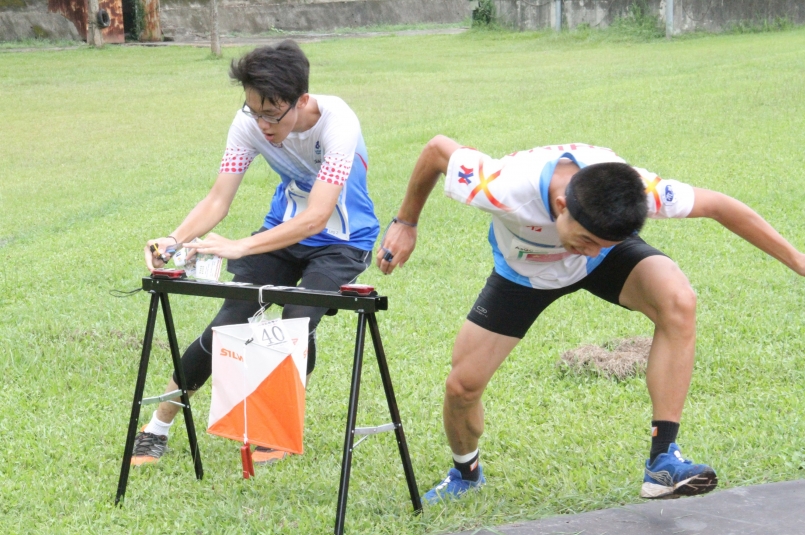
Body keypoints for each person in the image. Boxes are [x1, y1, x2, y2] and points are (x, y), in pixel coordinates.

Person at [377, 136, 805, 502]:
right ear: (560, 205)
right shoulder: (500, 186)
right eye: (584, 239)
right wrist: (406, 222)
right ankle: (465, 474)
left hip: (606, 264)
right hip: (524, 272)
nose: (587, 247)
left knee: (679, 300)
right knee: (462, 386)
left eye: (600, 242)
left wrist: (799, 262)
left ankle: (662, 460)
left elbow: (721, 207)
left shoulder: (636, 190)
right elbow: (436, 151)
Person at [132, 41, 379, 466]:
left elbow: (318, 216)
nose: (263, 124)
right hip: (281, 233)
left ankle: (277, 423)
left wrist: (240, 246)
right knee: (227, 323)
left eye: (272, 114)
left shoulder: (339, 123)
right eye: (254, 111)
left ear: (301, 100)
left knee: (297, 321)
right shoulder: (248, 123)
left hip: (343, 240)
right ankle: (158, 426)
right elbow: (217, 200)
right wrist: (173, 239)